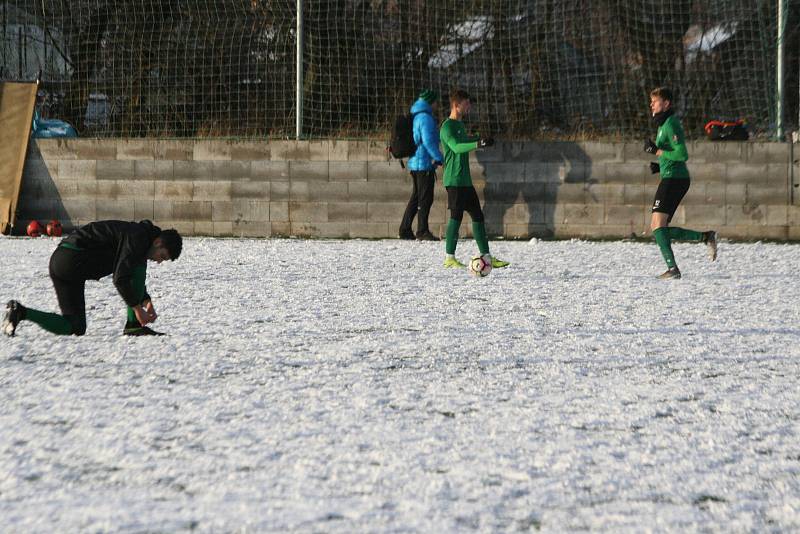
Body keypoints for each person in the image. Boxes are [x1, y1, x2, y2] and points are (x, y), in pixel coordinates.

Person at [2, 219, 182, 337]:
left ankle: (21, 312)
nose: (159, 262)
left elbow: (126, 272)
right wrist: (137, 308)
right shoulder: (138, 237)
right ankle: (134, 326)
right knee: (135, 267)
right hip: (73, 257)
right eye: (162, 256)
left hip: (60, 260)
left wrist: (145, 299)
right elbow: (121, 277)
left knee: (75, 326)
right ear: (158, 242)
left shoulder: (139, 238)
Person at [645, 87, 717, 279]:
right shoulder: (663, 125)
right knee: (659, 227)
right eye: (651, 101)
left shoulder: (670, 124)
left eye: (655, 101)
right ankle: (705, 237)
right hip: (671, 176)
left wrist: (657, 152)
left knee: (657, 225)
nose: (651, 104)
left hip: (675, 180)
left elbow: (682, 154)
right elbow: (672, 153)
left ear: (666, 103)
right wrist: (660, 166)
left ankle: (674, 269)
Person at [440, 89, 509, 269]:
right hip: (453, 180)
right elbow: (456, 147)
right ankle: (449, 258)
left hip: (465, 181)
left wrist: (481, 139)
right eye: (466, 103)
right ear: (457, 105)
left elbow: (464, 140)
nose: (469, 106)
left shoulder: (460, 125)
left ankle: (486, 256)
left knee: (477, 216)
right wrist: (477, 144)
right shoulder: (447, 127)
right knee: (456, 217)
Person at [399, 89, 444, 241]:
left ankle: (405, 229)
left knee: (417, 197)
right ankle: (422, 230)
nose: (437, 104)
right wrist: (438, 157)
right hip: (424, 163)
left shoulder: (417, 115)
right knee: (425, 198)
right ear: (430, 102)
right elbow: (428, 141)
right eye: (436, 102)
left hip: (416, 162)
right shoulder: (425, 118)